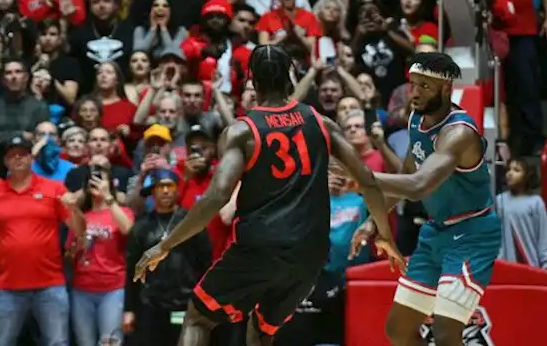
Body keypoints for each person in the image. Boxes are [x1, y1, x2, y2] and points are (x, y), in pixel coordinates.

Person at [134, 44, 401, 345]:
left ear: (254, 83)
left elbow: (216, 196)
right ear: (290, 79)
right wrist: (385, 235)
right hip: (309, 254)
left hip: (260, 246)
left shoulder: (242, 131)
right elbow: (366, 179)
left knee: (198, 317)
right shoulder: (320, 122)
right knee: (262, 331)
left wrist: (165, 244)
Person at [353, 51, 502, 346]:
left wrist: (359, 179)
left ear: (446, 89)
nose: (415, 93)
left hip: (471, 233)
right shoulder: (415, 119)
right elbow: (408, 172)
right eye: (413, 84)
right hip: (436, 230)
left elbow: (420, 185)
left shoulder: (458, 133)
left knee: (446, 333)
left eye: (425, 86)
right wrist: (373, 221)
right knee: (398, 330)